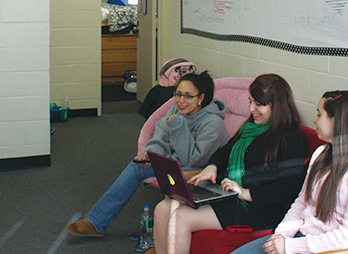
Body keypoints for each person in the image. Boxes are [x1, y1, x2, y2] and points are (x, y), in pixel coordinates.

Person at [153, 74, 308, 254]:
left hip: (258, 207)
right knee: (163, 209)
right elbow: (224, 151)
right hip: (231, 194)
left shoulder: (291, 138)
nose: (252, 109)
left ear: (278, 105)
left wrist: (246, 193)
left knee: (180, 217)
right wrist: (212, 167)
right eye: (250, 102)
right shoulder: (251, 128)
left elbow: (289, 188)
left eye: (259, 104)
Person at [66, 71, 229, 238]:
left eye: (188, 96)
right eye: (178, 94)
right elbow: (160, 138)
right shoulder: (176, 111)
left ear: (200, 98)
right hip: (174, 163)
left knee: (167, 170)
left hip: (198, 171)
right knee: (136, 166)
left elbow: (193, 160)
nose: (181, 101)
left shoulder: (212, 123)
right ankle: (95, 223)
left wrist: (178, 127)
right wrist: (151, 154)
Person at [231, 90, 348, 254]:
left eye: (319, 115)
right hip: (300, 239)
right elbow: (301, 202)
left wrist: (289, 246)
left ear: (338, 121)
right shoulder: (322, 153)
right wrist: (281, 235)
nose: (314, 120)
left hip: (333, 249)